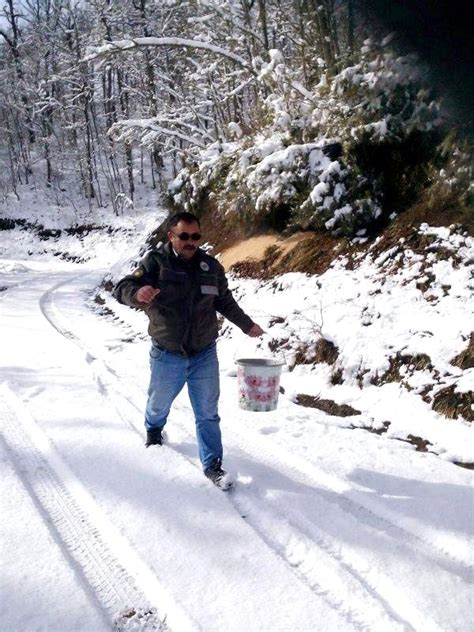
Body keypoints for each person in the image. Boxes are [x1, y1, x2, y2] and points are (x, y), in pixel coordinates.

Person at [114, 211, 264, 490]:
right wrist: (137, 294)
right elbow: (123, 287)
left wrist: (247, 325)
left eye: (195, 236)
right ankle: (154, 429)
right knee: (158, 403)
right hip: (167, 353)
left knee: (207, 411)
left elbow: (225, 302)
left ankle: (213, 467)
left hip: (204, 353)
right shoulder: (156, 263)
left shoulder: (210, 267)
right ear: (171, 236)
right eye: (184, 236)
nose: (191, 241)